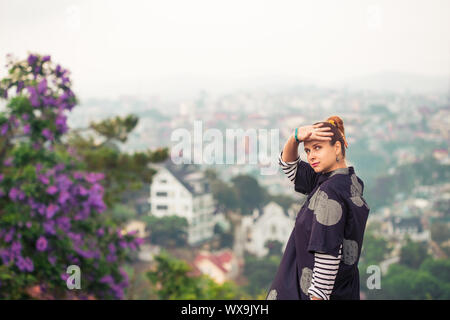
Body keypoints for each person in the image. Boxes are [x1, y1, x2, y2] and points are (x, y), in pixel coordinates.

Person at [266, 116, 370, 300]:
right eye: (307, 150)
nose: (311, 155)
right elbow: (289, 166)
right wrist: (295, 137)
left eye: (317, 148)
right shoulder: (345, 182)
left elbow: (326, 257)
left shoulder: (329, 193)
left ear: (337, 147)